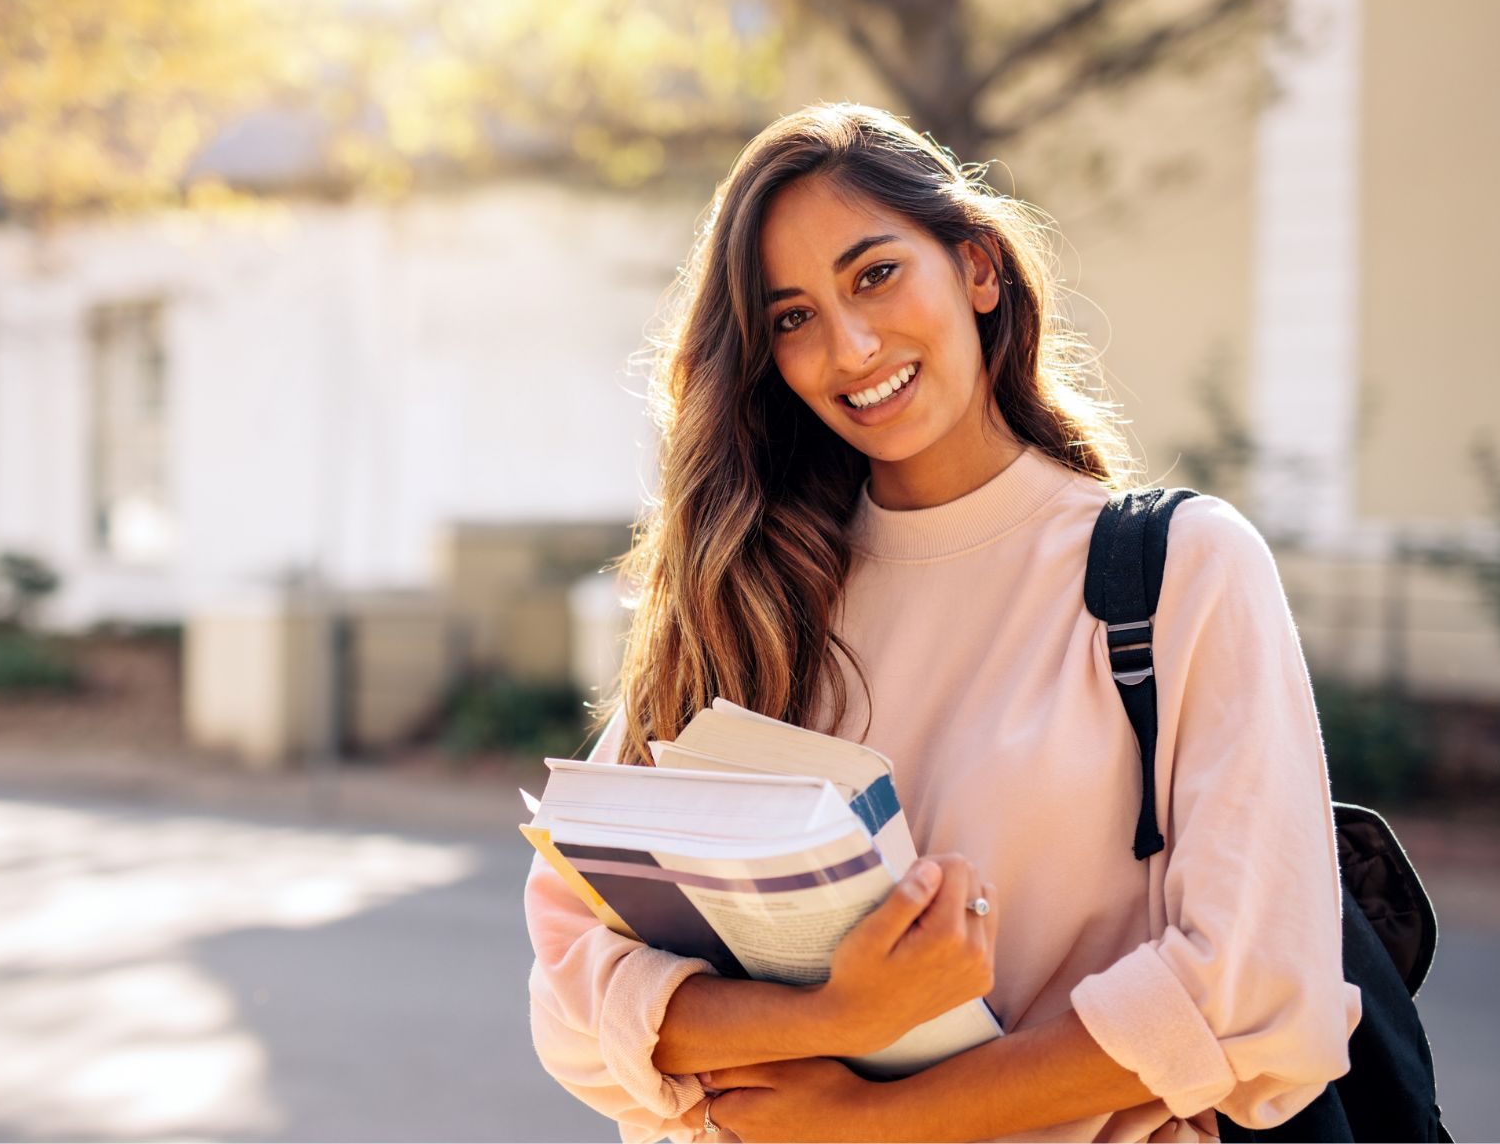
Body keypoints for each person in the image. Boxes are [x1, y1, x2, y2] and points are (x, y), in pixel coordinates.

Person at [523, 103, 1362, 1143]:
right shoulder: (751, 598)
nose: (850, 345)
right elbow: (571, 991)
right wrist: (832, 1015)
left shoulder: (1178, 571)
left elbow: (1249, 993)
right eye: (791, 318)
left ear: (976, 269)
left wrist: (870, 1122)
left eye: (874, 274)